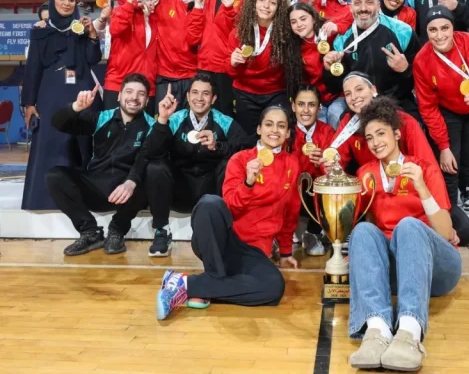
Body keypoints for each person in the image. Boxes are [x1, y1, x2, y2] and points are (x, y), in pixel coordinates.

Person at [348, 97, 461, 372]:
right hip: (397, 272)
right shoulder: (365, 174)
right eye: (370, 138)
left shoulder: (424, 168)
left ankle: (410, 332)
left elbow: (445, 232)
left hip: (437, 267)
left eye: (381, 133)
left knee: (408, 226)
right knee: (362, 230)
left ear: (397, 133)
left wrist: (421, 187)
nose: (375, 142)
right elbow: (368, 232)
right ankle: (377, 330)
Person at [156, 106, 300, 320]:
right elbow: (231, 205)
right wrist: (248, 182)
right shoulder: (240, 159)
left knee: (274, 287)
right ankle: (209, 283)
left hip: (254, 252)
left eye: (281, 126)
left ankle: (187, 284)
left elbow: (291, 211)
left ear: (288, 133)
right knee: (209, 203)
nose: (274, 130)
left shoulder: (292, 163)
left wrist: (286, 252)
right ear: (259, 129)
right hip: (223, 241)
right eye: (269, 124)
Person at [324, 74, 469, 246]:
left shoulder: (404, 121)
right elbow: (334, 158)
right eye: (348, 94)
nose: (354, 97)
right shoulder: (348, 123)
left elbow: (428, 168)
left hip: (412, 194)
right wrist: (329, 167)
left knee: (464, 230)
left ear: (373, 90)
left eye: (359, 89)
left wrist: (441, 218)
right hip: (377, 194)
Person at [413, 5, 469, 262]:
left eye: (445, 28)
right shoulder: (422, 60)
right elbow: (428, 108)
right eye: (433, 30)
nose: (439, 35)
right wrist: (443, 146)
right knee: (448, 168)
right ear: (426, 32)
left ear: (453, 28)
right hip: (448, 111)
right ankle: (447, 235)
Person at [143, 74, 252, 257]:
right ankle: (161, 230)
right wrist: (162, 120)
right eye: (194, 92)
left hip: (211, 192)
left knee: (229, 164)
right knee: (156, 167)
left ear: (213, 98)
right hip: (180, 190)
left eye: (205, 93)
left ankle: (227, 229)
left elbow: (247, 146)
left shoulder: (224, 121)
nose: (199, 98)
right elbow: (150, 150)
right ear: (187, 96)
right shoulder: (175, 118)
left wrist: (217, 146)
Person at [46, 73, 154, 255]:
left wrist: (130, 182)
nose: (134, 97)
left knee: (150, 173)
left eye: (141, 94)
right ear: (119, 96)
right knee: (55, 176)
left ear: (147, 101)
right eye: (129, 92)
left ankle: (117, 230)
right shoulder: (102, 118)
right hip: (95, 185)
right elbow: (58, 123)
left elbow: (145, 158)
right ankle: (90, 232)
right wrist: (76, 107)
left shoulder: (152, 126)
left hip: (128, 193)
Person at [21, 0, 102, 211]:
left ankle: (83, 197)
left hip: (81, 92)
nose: (66, 2)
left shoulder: (81, 29)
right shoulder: (40, 31)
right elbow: (33, 68)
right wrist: (29, 103)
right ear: (53, 0)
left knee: (81, 142)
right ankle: (45, 198)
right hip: (50, 94)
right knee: (51, 140)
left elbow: (93, 59)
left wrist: (92, 35)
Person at [322, 0, 420, 118]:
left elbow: (422, 79)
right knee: (338, 118)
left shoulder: (403, 31)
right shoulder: (341, 41)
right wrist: (329, 71)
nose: (363, 8)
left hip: (398, 102)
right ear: (351, 8)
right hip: (360, 106)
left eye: (369, 2)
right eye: (357, 3)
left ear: (378, 6)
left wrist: (405, 70)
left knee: (417, 125)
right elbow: (335, 88)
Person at [228, 0, 302, 133]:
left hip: (275, 93)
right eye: (261, 0)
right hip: (245, 93)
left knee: (277, 135)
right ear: (253, 3)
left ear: (279, 8)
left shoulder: (285, 34)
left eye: (272, 2)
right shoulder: (238, 33)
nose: (266, 6)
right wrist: (233, 63)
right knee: (249, 138)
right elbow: (232, 73)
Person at [187, 0, 248, 116]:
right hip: (204, 64)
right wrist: (198, 6)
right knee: (201, 110)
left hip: (226, 65)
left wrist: (229, 10)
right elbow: (195, 35)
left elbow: (240, 32)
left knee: (224, 112)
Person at [153, 0, 214, 113]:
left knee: (188, 123)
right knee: (164, 120)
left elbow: (193, 40)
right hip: (164, 77)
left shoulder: (204, 14)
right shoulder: (164, 2)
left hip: (190, 78)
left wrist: (198, 7)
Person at [105, 0, 161, 110]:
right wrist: (130, 2)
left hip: (146, 87)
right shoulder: (122, 9)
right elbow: (116, 29)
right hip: (119, 84)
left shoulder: (156, 15)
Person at [290, 85, 335, 256]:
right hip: (290, 191)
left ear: (319, 108)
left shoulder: (328, 132)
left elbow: (336, 170)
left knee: (327, 186)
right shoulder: (285, 131)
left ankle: (312, 233)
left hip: (315, 195)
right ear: (293, 106)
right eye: (301, 104)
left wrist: (323, 163)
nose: (306, 110)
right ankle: (278, 232)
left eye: (312, 105)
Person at [289, 1, 345, 127]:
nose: (299, 24)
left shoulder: (328, 33)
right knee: (318, 128)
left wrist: (339, 27)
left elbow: (351, 15)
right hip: (316, 99)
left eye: (303, 19)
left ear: (313, 19)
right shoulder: (292, 47)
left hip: (339, 94)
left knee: (335, 117)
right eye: (293, 22)